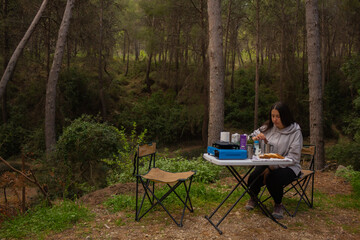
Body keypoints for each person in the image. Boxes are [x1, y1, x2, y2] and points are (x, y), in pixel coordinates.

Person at [245, 102, 303, 219]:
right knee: (253, 176)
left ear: (285, 116)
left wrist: (273, 167)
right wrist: (256, 138)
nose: (274, 120)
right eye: (272, 116)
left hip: (289, 166)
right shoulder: (268, 127)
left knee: (273, 178)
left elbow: (294, 158)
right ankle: (254, 198)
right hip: (267, 162)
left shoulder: (295, 131)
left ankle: (278, 204)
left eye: (278, 116)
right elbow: (252, 136)